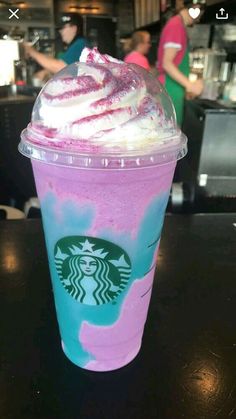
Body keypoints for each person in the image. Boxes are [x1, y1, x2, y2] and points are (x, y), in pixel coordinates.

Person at [157, 0, 205, 126]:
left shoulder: (178, 25)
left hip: (174, 89)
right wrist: (190, 85)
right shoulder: (176, 26)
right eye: (200, 14)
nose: (198, 19)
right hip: (169, 89)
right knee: (169, 132)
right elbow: (167, 63)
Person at [24, 13, 88, 76]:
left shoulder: (80, 45)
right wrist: (47, 71)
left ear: (74, 28)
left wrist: (31, 51)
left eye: (63, 27)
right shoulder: (75, 45)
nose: (60, 31)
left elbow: (60, 68)